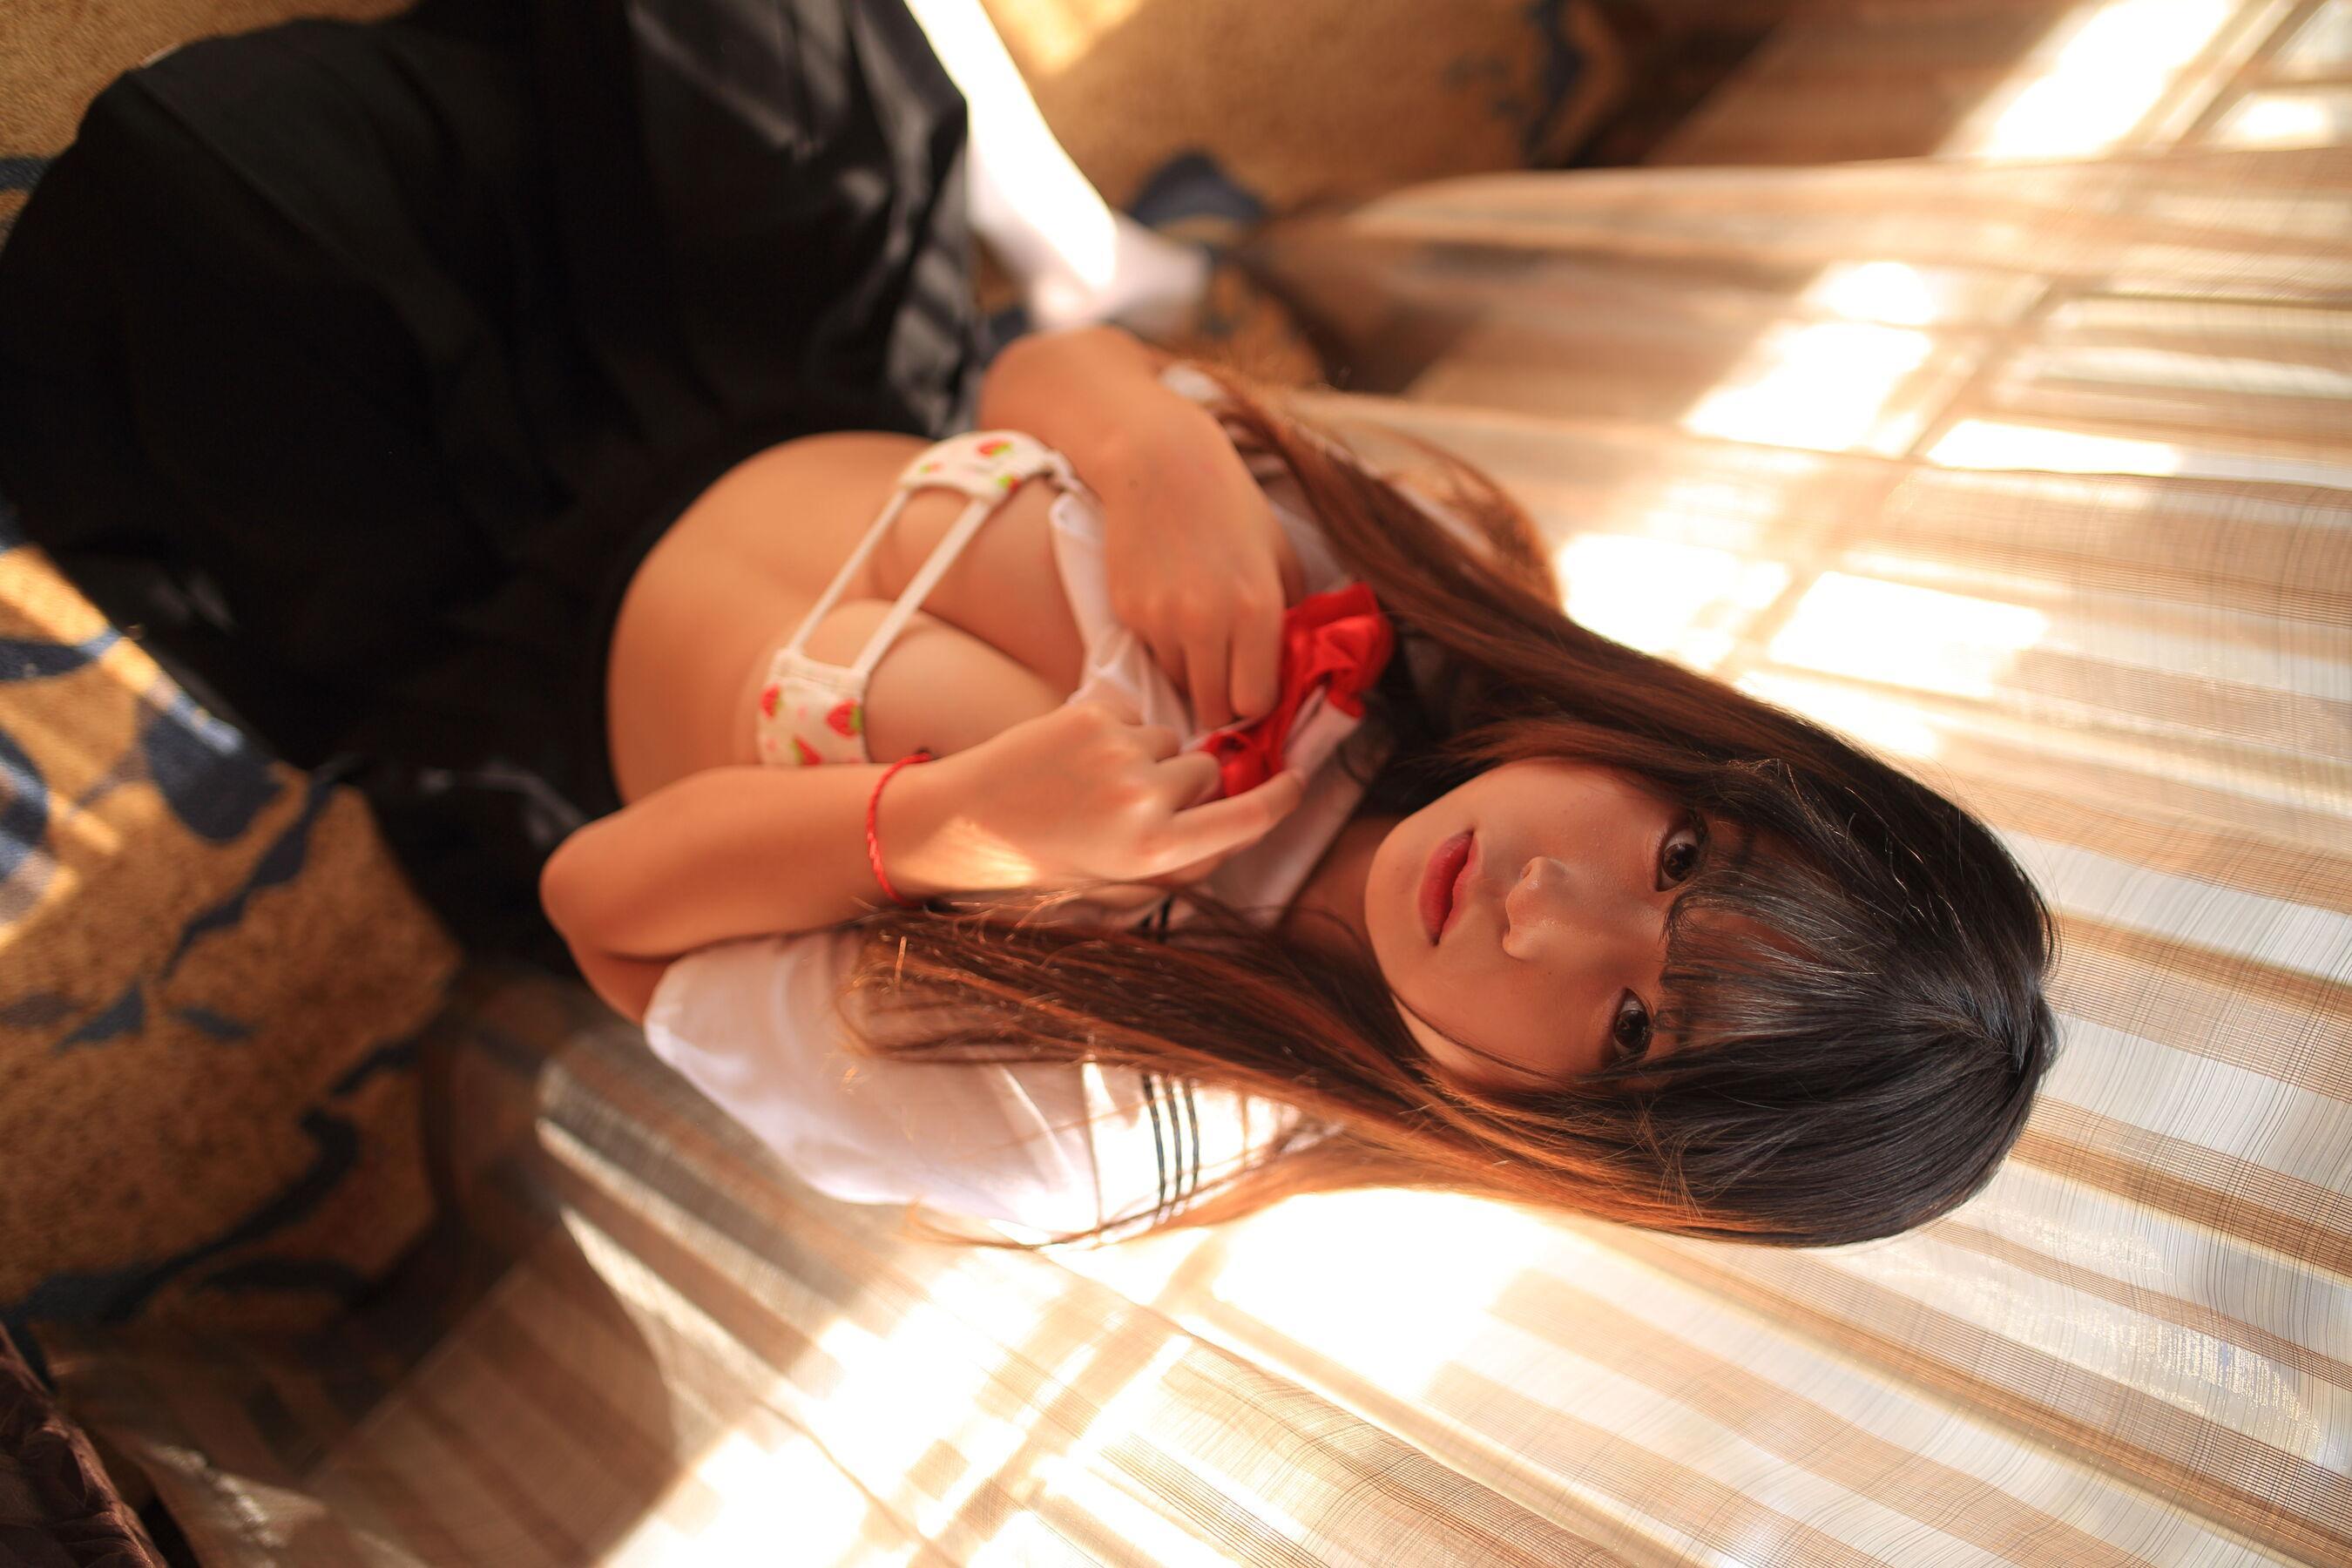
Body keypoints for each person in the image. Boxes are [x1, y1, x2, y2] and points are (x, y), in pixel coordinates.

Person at [0, 0, 2059, 1253]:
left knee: (201, 185)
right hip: (794, 383)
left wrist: (941, 833)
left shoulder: (1080, 1122)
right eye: (1680, 860)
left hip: (510, 630)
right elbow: (1030, 386)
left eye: (1628, 1031)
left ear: (1575, 1137)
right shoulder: (1435, 582)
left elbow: (603, 907)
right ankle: (1064, 231)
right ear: (1703, 761)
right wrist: (1156, 451)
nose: (1549, 910)